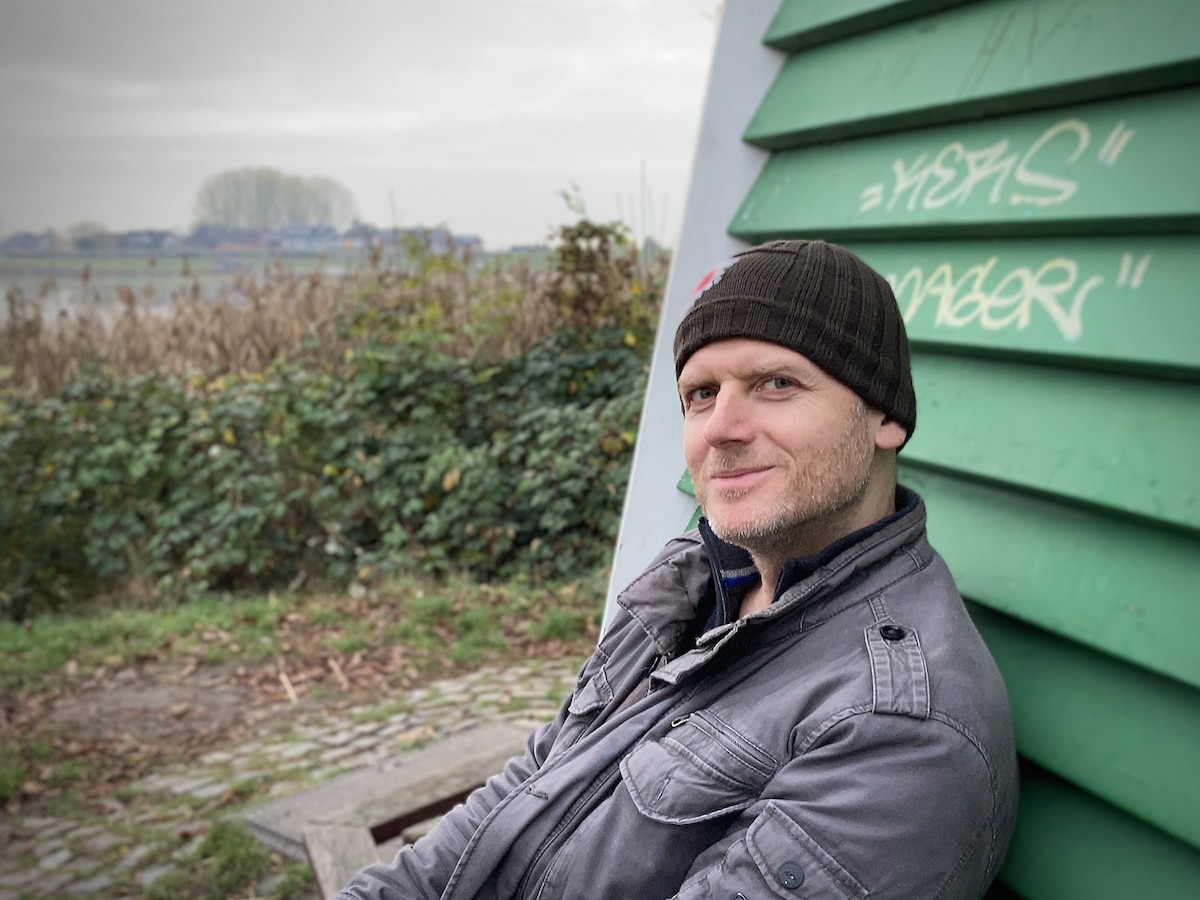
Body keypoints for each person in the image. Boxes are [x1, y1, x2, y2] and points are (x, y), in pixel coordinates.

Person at [337, 239, 1019, 899]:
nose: (721, 426)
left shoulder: (896, 730)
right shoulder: (689, 583)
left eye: (776, 383)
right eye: (701, 393)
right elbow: (524, 793)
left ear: (884, 415)